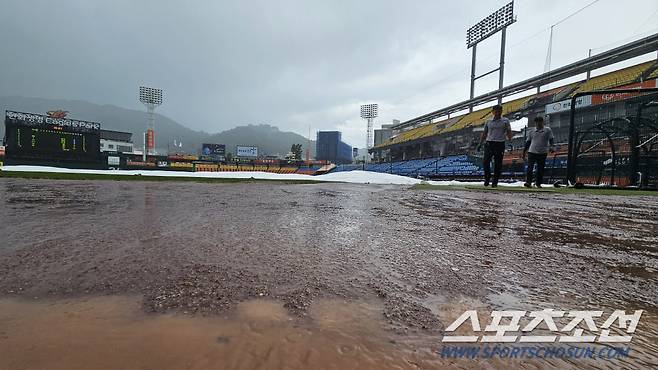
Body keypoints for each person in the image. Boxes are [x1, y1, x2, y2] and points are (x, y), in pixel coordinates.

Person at [478, 105, 512, 187]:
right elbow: (485, 133)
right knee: (485, 162)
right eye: (496, 112)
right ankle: (487, 177)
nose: (497, 113)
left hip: (500, 144)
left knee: (498, 163)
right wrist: (480, 143)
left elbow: (509, 132)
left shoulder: (505, 121)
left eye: (499, 112)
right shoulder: (488, 121)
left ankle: (495, 181)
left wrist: (510, 141)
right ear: (492, 112)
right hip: (489, 143)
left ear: (501, 112)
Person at [523, 116, 555, 188]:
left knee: (540, 169)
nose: (538, 124)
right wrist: (524, 152)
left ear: (542, 122)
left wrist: (552, 146)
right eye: (536, 122)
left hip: (542, 152)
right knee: (530, 168)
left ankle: (538, 183)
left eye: (539, 122)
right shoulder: (531, 131)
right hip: (532, 151)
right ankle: (528, 182)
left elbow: (551, 139)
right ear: (535, 123)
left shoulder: (547, 130)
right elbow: (528, 142)